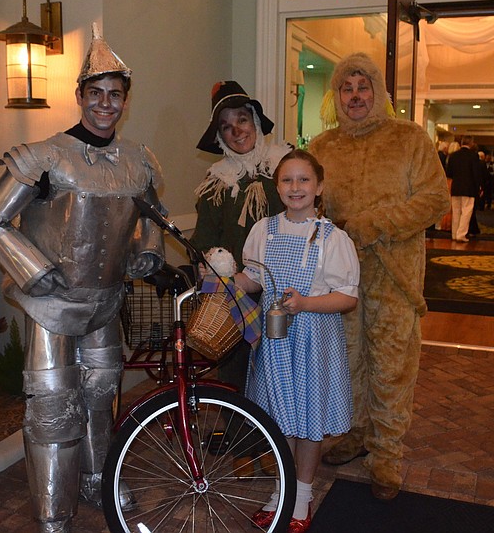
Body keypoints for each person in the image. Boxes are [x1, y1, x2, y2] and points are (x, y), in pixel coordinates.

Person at [0, 24, 165, 532]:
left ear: (125, 101)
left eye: (114, 94)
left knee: (101, 397)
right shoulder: (44, 156)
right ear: (79, 96)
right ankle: (53, 515)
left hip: (105, 302)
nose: (105, 104)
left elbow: (151, 215)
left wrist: (147, 250)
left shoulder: (138, 159)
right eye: (95, 93)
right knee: (53, 409)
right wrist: (33, 270)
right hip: (51, 307)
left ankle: (98, 480)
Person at [308, 52, 449, 501]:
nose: (355, 97)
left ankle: (387, 452)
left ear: (378, 92)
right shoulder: (322, 147)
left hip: (394, 275)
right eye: (346, 88)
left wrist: (375, 223)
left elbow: (436, 200)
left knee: (391, 364)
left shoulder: (409, 139)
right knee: (347, 359)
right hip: (340, 277)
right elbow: (310, 204)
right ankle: (354, 432)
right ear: (336, 95)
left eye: (363, 87)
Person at [233, 149, 360, 533]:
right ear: (277, 187)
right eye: (287, 180)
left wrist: (305, 303)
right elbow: (253, 279)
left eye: (304, 179)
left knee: (308, 421)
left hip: (313, 341)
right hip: (274, 342)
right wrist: (222, 277)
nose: (295, 187)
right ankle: (283, 489)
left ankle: (301, 496)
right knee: (280, 421)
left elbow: (347, 297)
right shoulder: (264, 231)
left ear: (319, 187)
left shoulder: (332, 238)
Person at [190, 80, 290, 476]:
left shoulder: (284, 167)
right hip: (237, 294)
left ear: (256, 122)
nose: (238, 131)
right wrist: (212, 265)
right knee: (235, 371)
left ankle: (276, 444)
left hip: (282, 288)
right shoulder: (216, 182)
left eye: (243, 120)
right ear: (220, 136)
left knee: (279, 370)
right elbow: (204, 239)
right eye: (227, 126)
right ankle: (244, 447)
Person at [446, 135, 482, 243]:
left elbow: (449, 173)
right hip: (469, 188)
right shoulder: (473, 156)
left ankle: (454, 233)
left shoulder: (453, 156)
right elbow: (476, 174)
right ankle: (461, 234)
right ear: (471, 143)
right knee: (466, 211)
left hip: (456, 187)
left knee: (456, 211)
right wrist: (478, 187)